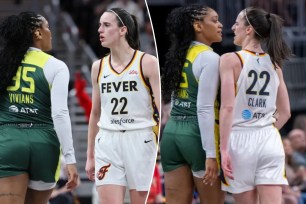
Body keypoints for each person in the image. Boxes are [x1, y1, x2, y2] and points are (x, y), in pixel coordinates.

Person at [0, 11, 79, 204]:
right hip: (44, 143)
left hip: (9, 140)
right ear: (37, 33)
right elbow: (60, 114)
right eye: (47, 27)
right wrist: (70, 159)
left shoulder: (3, 64)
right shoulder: (56, 66)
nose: (50, 32)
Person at [85, 8, 160, 204]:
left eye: (106, 25)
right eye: (100, 25)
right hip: (108, 140)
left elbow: (160, 110)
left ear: (122, 30)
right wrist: (90, 155)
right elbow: (95, 114)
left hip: (141, 137)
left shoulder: (148, 62)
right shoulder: (98, 67)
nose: (100, 29)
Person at [219, 6, 292, 204]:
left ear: (249, 29)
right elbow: (285, 112)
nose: (233, 27)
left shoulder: (229, 59)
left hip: (240, 140)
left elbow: (227, 107)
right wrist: (264, 128)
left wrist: (223, 148)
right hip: (270, 139)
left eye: (237, 23)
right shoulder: (275, 64)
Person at [160, 5, 225, 204]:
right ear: (198, 26)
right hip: (198, 136)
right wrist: (211, 154)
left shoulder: (177, 54)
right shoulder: (210, 57)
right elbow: (204, 108)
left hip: (171, 135)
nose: (220, 25)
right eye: (214, 20)